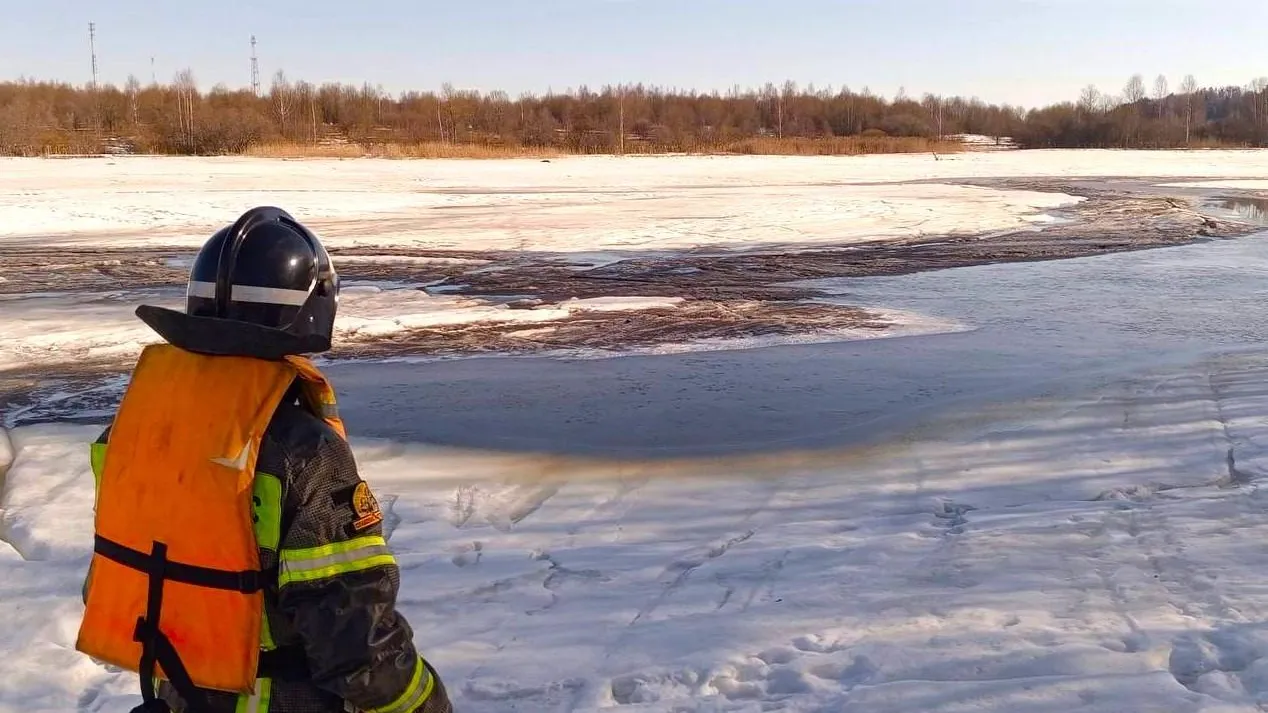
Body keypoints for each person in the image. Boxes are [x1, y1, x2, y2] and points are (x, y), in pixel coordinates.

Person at [77, 207, 452, 713]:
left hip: (178, 693)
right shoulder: (302, 452)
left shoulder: (134, 433)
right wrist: (427, 703)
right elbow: (355, 647)